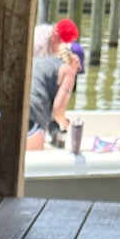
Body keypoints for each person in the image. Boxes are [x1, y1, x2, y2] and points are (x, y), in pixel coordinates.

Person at [27, 22, 80, 150]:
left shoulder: (44, 60)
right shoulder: (68, 71)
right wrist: (65, 123)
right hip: (32, 115)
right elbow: (58, 111)